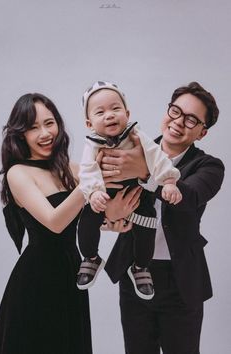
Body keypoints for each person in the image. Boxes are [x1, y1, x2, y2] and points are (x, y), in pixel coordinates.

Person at [102, 82, 225, 354]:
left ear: (202, 132)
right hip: (134, 272)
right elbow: (104, 198)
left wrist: (146, 174)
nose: (178, 122)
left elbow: (188, 196)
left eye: (191, 119)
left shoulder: (209, 166)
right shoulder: (132, 150)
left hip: (180, 281)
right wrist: (109, 216)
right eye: (175, 111)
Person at [0, 93, 99, 354]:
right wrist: (91, 179)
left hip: (71, 271)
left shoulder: (71, 169)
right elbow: (55, 222)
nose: (44, 133)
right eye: (32, 127)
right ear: (20, 134)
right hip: (36, 279)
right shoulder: (17, 173)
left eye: (49, 123)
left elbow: (100, 218)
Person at [77, 81, 182, 300]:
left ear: (127, 112)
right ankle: (91, 257)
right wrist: (94, 192)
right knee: (87, 220)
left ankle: (140, 267)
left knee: (146, 230)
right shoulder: (93, 144)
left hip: (139, 194)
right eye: (100, 112)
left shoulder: (136, 135)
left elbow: (156, 156)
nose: (109, 115)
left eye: (115, 109)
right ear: (89, 123)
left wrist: (169, 181)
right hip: (105, 196)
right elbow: (87, 170)